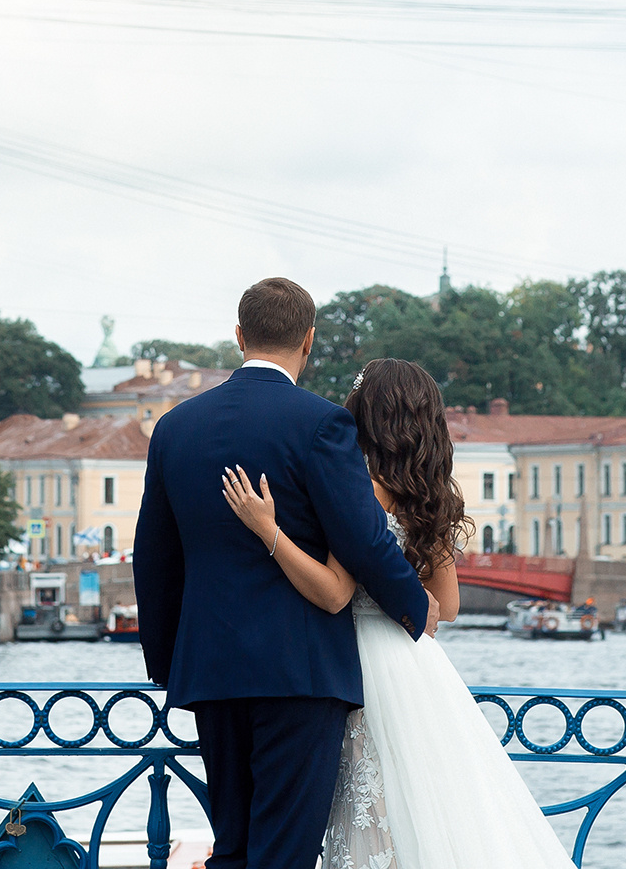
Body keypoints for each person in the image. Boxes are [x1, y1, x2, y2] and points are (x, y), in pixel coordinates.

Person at [221, 355, 577, 869]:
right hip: (416, 665)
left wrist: (267, 530)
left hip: (355, 661)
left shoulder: (356, 489)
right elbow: (447, 607)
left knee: (365, 812)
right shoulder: (430, 494)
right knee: (426, 808)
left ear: (364, 412)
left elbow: (336, 590)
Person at [134, 278, 429, 869]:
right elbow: (363, 539)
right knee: (284, 852)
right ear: (309, 340)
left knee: (233, 847)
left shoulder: (175, 427)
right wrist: (414, 607)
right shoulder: (321, 423)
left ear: (239, 335)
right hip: (300, 672)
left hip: (212, 671)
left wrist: (168, 663)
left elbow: (154, 559)